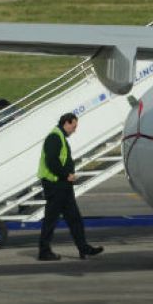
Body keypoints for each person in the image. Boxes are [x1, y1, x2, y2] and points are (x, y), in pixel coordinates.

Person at [36, 112, 104, 261]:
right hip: (55, 185)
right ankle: (44, 251)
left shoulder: (59, 136)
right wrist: (66, 175)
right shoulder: (54, 137)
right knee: (51, 220)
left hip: (63, 186)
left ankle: (83, 248)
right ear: (66, 123)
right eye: (74, 126)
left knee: (75, 219)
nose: (75, 130)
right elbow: (52, 161)